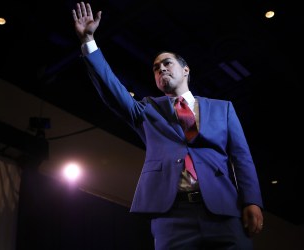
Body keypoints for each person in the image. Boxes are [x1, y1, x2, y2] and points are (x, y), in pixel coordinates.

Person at [72, 2, 264, 249]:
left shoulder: (222, 108)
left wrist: (252, 201)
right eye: (155, 68)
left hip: (224, 211)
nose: (161, 67)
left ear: (185, 70)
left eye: (167, 63)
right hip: (172, 216)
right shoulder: (147, 110)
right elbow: (112, 91)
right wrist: (89, 41)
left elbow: (242, 157)